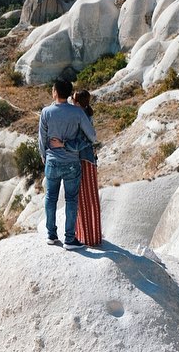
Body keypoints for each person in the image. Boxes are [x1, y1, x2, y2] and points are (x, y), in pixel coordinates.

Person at [39, 79, 98, 250]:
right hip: (72, 162)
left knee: (51, 198)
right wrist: (70, 144)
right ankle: (70, 239)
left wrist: (45, 157)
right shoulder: (77, 112)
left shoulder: (46, 112)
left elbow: (42, 139)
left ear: (56, 92)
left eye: (52, 89)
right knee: (71, 199)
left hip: (52, 161)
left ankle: (51, 235)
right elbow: (92, 137)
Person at [71, 90, 102, 247]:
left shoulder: (81, 116)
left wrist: (67, 146)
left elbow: (87, 138)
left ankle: (87, 237)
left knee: (84, 199)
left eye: (73, 99)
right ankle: (92, 236)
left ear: (78, 102)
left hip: (83, 159)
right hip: (88, 159)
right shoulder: (84, 114)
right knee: (90, 198)